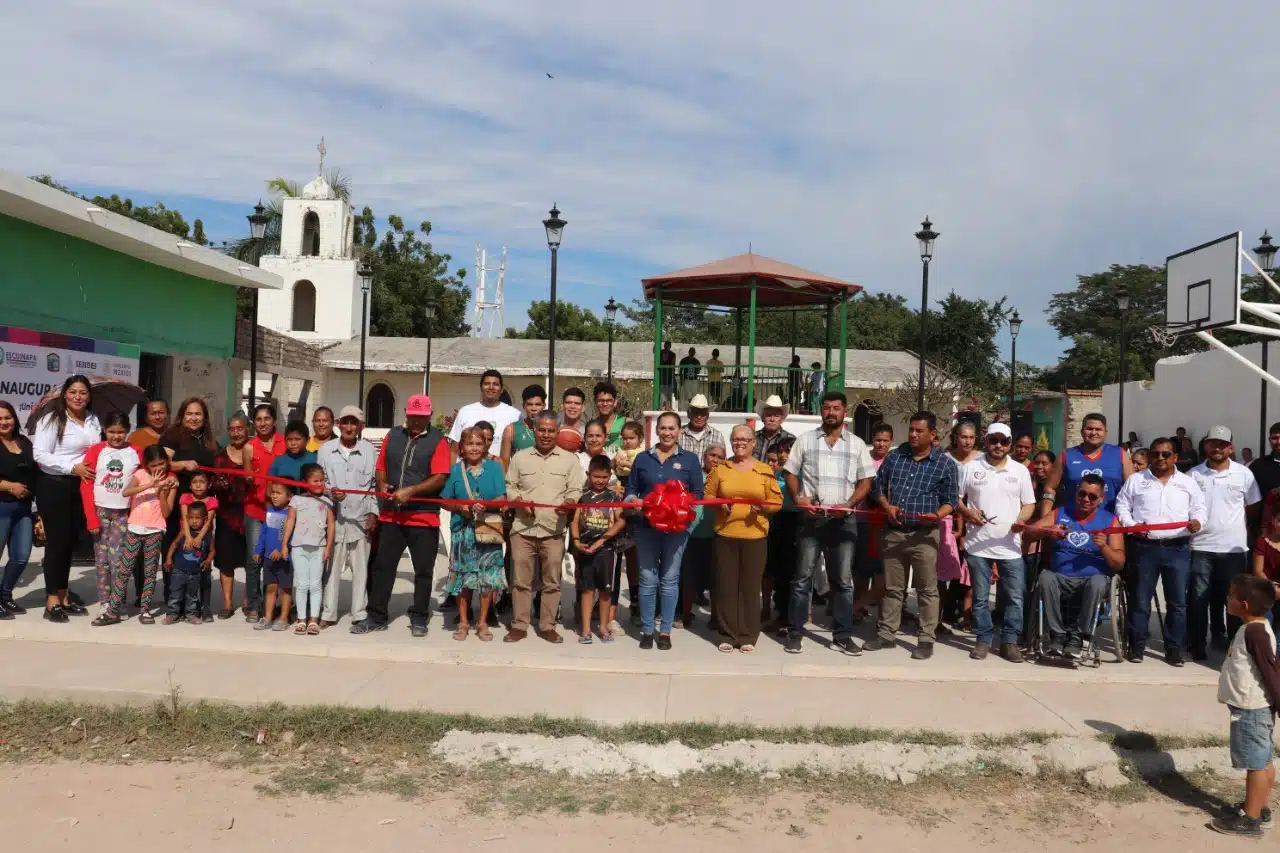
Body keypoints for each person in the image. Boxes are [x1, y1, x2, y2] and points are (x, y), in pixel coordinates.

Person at [782, 392, 876, 655]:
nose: (830, 413)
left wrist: (849, 504)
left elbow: (866, 481)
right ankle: (796, 632)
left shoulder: (857, 444)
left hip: (843, 522)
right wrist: (798, 497)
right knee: (802, 580)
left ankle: (843, 635)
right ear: (821, 411)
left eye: (836, 408)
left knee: (843, 582)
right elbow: (789, 472)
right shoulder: (805, 440)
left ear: (844, 411)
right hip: (811, 521)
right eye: (826, 408)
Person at [355, 394, 451, 636]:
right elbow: (380, 467)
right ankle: (377, 615)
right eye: (412, 417)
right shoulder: (393, 435)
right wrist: (383, 484)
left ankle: (419, 617)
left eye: (421, 417)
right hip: (391, 516)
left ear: (429, 415)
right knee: (382, 567)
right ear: (406, 415)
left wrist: (412, 491)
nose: (416, 422)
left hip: (423, 516)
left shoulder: (439, 441)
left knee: (423, 571)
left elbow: (440, 477)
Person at [871, 410, 958, 660]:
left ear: (933, 435)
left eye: (919, 431)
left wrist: (938, 515)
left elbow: (951, 500)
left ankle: (926, 639)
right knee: (892, 588)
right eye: (911, 430)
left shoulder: (945, 464)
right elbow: (878, 486)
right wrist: (887, 507)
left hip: (925, 536)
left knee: (927, 590)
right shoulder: (895, 456)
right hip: (895, 533)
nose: (913, 435)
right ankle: (887, 634)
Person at [1116, 436, 1206, 665]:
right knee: (1140, 599)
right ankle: (1136, 647)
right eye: (1155, 454)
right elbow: (1122, 505)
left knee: (1177, 602)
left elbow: (1200, 508)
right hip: (1144, 547)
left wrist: (1197, 521)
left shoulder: (1188, 483)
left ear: (1175, 457)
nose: (1160, 458)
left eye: (1166, 454)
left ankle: (1173, 649)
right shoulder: (1136, 480)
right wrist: (1130, 525)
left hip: (1177, 548)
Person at [1019, 473, 1125, 659]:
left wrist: (1104, 547)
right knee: (1045, 577)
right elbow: (1028, 534)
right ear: (1076, 493)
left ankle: (1079, 636)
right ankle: (1058, 634)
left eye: (1092, 497)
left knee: (1098, 583)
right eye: (1082, 494)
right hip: (1060, 575)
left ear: (1101, 499)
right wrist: (1048, 531)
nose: (1085, 499)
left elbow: (1119, 562)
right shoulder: (1060, 513)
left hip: (1092, 578)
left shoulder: (1110, 520)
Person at [1209, 575, 1280, 838]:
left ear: (1245, 604)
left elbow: (1270, 670)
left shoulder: (1255, 632)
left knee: (1255, 763)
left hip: (1252, 709)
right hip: (1254, 706)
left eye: (1231, 595)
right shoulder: (1253, 627)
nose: (1227, 598)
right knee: (1262, 759)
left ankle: (1250, 821)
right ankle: (1259, 809)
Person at [505, 410, 584, 644]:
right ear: (534, 431)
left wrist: (570, 503)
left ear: (557, 432)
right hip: (523, 529)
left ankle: (548, 625)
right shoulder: (519, 457)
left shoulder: (570, 460)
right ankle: (519, 624)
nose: (546, 435)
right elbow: (510, 486)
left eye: (551, 431)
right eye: (542, 430)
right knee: (520, 581)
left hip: (553, 530)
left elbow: (575, 490)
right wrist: (518, 501)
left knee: (552, 582)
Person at [959, 423, 1036, 662]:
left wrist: (1021, 520)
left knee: (1014, 597)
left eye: (1003, 441)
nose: (998, 446)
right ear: (987, 441)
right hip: (978, 544)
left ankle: (1009, 641)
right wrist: (968, 514)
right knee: (980, 597)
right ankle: (983, 640)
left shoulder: (1020, 471)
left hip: (1010, 546)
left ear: (1010, 443)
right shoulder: (971, 467)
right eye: (994, 440)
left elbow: (1029, 504)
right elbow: (955, 498)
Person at [627, 411, 704, 650]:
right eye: (663, 428)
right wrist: (634, 502)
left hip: (677, 530)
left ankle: (666, 631)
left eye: (672, 428)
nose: (667, 433)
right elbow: (630, 490)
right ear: (656, 430)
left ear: (679, 431)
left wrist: (688, 525)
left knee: (670, 580)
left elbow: (698, 496)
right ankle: (648, 629)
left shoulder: (690, 460)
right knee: (648, 579)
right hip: (646, 528)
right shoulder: (642, 459)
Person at [705, 425, 782, 652]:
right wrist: (720, 503)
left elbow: (777, 502)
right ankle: (727, 634)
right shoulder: (722, 469)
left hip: (755, 535)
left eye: (744, 439)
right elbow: (708, 494)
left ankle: (748, 635)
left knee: (750, 587)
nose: (740, 443)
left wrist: (764, 508)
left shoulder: (764, 470)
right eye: (735, 439)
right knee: (726, 586)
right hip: (725, 534)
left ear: (753, 443)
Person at [1189, 426, 1263, 660]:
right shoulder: (1193, 475)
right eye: (1213, 443)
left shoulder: (1244, 474)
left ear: (1231, 447)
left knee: (1234, 602)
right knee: (1199, 600)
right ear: (1206, 446)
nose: (1217, 448)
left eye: (1222, 444)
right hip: (1201, 547)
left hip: (1233, 549)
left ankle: (1233, 646)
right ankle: (1198, 644)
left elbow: (1253, 507)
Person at [31, 375, 99, 622]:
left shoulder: (93, 419)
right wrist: (72, 468)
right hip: (54, 485)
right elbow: (40, 454)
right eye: (73, 392)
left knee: (70, 543)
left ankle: (64, 595)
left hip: (80, 488)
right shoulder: (51, 419)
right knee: (57, 544)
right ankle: (51, 602)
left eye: (83, 392)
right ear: (64, 395)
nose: (78, 397)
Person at [440, 426, 507, 641]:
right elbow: (445, 500)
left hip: (488, 531)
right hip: (463, 532)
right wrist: (460, 508)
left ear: (486, 445)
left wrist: (485, 506)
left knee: (486, 580)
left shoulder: (495, 469)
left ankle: (483, 622)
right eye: (470, 444)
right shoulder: (456, 470)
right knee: (463, 580)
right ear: (462, 447)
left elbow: (502, 498)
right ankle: (463, 622)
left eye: (479, 444)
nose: (474, 448)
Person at [159, 397, 222, 617]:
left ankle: (201, 605)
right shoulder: (172, 435)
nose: (194, 418)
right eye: (189, 414)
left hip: (203, 506)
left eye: (198, 414)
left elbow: (220, 466)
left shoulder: (210, 440)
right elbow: (161, 464)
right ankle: (173, 601)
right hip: (177, 501)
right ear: (182, 415)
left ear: (204, 418)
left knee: (201, 549)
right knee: (175, 549)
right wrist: (182, 465)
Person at [317, 405, 378, 628]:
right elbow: (318, 482)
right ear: (339, 424)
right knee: (331, 569)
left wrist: (373, 512)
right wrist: (329, 492)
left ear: (361, 427)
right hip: (334, 519)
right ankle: (328, 613)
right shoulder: (325, 450)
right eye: (346, 422)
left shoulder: (370, 451)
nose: (349, 427)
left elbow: (373, 485)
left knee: (360, 570)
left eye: (354, 423)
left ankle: (359, 614)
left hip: (360, 519)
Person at [80, 412, 141, 616]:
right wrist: (91, 518)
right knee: (102, 561)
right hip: (100, 513)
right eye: (112, 432)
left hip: (123, 513)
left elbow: (150, 472)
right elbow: (86, 485)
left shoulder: (136, 452)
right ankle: (105, 601)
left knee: (118, 560)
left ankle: (118, 598)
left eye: (121, 432)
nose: (116, 436)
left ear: (128, 431)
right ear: (105, 431)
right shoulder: (96, 451)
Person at [116, 445, 178, 625]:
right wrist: (150, 485)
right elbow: (126, 492)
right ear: (147, 466)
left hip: (155, 529)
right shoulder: (140, 475)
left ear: (167, 463)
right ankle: (113, 608)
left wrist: (160, 492)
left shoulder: (170, 482)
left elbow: (166, 513)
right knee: (124, 570)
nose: (158, 468)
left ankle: (145, 609)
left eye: (161, 464)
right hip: (135, 527)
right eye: (153, 465)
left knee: (150, 572)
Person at [571, 455, 625, 643]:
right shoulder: (583, 496)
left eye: (604, 477)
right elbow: (575, 520)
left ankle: (603, 627)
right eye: (596, 477)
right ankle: (585, 630)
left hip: (606, 551)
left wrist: (601, 541)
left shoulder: (613, 497)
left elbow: (621, 521)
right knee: (586, 590)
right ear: (589, 474)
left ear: (609, 476)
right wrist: (577, 542)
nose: (600, 481)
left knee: (605, 591)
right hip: (585, 550)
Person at [1041, 413, 1131, 518]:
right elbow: (1050, 488)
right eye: (1089, 429)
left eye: (1098, 429)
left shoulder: (1120, 454)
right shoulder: (1066, 455)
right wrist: (1045, 520)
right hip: (1072, 522)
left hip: (1110, 522)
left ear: (1105, 433)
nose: (1093, 433)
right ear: (1082, 432)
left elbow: (1133, 489)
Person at [241, 403, 284, 622]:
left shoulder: (284, 444)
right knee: (254, 558)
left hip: (279, 511)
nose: (263, 423)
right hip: (256, 509)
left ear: (274, 421)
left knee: (276, 558)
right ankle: (254, 605)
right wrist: (249, 478)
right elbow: (247, 476)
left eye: (267, 418)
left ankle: (275, 604)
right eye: (258, 419)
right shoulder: (249, 447)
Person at [282, 463, 334, 636]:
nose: (320, 484)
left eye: (322, 480)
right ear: (304, 482)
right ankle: (301, 619)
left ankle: (313, 620)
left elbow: (331, 525)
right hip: (299, 547)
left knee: (316, 584)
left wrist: (328, 547)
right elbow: (289, 522)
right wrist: (284, 544)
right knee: (302, 585)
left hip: (319, 548)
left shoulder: (327, 501)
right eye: (315, 481)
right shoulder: (296, 500)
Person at [211, 413, 251, 619]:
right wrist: (218, 484)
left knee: (250, 560)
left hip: (250, 512)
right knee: (226, 561)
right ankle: (227, 603)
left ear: (247, 429)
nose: (236, 433)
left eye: (240, 428)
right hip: (226, 514)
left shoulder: (254, 452)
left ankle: (247, 602)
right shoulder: (219, 455)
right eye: (232, 429)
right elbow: (213, 481)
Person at [852, 424, 893, 622]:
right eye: (878, 440)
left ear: (891, 442)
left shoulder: (894, 461)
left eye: (885, 441)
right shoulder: (863, 458)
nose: (881, 444)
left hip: (885, 523)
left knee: (882, 573)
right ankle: (857, 608)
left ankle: (882, 616)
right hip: (862, 520)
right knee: (861, 570)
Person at [682, 444, 725, 628]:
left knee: (716, 579)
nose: (714, 459)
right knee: (687, 578)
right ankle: (685, 614)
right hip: (690, 534)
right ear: (704, 456)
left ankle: (715, 616)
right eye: (711, 455)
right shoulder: (693, 474)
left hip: (716, 534)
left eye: (719, 457)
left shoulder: (725, 477)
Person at [0, 400, 36, 616]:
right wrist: (9, 486)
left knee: (21, 555)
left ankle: (5, 596)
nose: (4, 422)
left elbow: (33, 473)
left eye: (7, 417)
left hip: (24, 508)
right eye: (0, 419)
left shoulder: (24, 442)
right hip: (1, 506)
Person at [612, 421, 645, 628]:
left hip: (635, 505)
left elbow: (639, 474)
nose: (627, 441)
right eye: (624, 438)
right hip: (618, 501)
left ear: (640, 438)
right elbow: (614, 470)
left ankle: (635, 602)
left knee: (633, 556)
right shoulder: (618, 452)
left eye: (631, 438)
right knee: (613, 555)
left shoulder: (642, 454)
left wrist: (627, 466)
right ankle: (610, 604)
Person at [451, 370, 521, 460]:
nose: (491, 387)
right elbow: (454, 450)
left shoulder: (515, 415)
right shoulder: (465, 411)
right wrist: (452, 473)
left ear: (502, 389)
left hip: (499, 472)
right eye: (487, 383)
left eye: (495, 384)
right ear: (481, 387)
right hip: (467, 471)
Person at [763, 439, 796, 632]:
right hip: (775, 524)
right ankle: (779, 614)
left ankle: (788, 618)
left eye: (788, 451)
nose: (784, 455)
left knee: (791, 573)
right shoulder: (772, 476)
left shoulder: (798, 474)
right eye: (781, 451)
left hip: (795, 522)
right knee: (776, 572)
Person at [252, 482, 293, 632]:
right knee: (270, 587)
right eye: (273, 492)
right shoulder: (269, 511)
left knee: (286, 589)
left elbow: (289, 536)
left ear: (289, 497)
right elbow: (264, 533)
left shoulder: (290, 514)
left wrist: (281, 549)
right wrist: (258, 550)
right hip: (269, 558)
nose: (274, 496)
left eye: (278, 493)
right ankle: (268, 617)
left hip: (284, 558)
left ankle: (283, 618)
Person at [163, 501, 211, 625]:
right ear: (187, 519)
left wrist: (208, 561)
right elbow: (174, 544)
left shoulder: (207, 535)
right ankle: (172, 614)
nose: (194, 521)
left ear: (205, 519)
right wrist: (168, 559)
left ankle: (191, 615)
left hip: (195, 573)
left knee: (192, 596)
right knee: (175, 594)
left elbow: (213, 550)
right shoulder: (184, 532)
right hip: (178, 571)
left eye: (197, 518)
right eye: (191, 518)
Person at [501, 385, 546, 470]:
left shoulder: (553, 431)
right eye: (529, 404)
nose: (533, 408)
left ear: (543, 406)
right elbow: (504, 465)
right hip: (519, 482)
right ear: (524, 406)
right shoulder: (511, 430)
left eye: (538, 404)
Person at [1251, 512, 1280, 646]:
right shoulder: (1262, 542)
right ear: (1274, 521)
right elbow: (1258, 571)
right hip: (1266, 590)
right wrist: (1272, 587)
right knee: (1264, 630)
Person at [268, 421, 318, 491]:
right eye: (289, 439)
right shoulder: (278, 462)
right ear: (285, 440)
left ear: (307, 440)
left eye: (297, 439)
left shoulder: (316, 459)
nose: (293, 443)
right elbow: (269, 489)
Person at [753, 395, 794, 463]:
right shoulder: (753, 438)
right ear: (762, 418)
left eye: (776, 416)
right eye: (768, 415)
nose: (772, 419)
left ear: (782, 419)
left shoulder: (790, 440)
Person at [592, 382, 626, 451]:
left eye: (609, 400)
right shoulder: (592, 426)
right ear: (595, 402)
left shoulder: (626, 423)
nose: (605, 404)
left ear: (615, 402)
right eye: (601, 400)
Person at [558, 387, 587, 453]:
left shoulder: (589, 433)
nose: (572, 406)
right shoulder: (555, 431)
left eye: (577, 403)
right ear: (562, 406)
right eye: (568, 402)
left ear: (583, 408)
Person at [658, 341, 676, 405]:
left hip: (669, 374)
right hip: (662, 374)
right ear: (664, 345)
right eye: (666, 345)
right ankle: (663, 405)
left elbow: (673, 365)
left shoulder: (673, 354)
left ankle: (669, 405)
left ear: (670, 346)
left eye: (668, 345)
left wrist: (672, 374)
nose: (667, 347)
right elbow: (654, 351)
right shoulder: (659, 352)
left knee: (669, 389)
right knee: (662, 389)